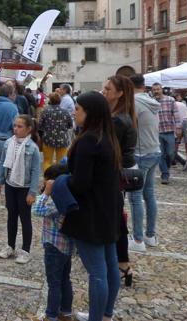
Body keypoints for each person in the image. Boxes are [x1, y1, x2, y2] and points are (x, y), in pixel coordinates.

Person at [60, 91, 122, 321]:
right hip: (108, 209)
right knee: (109, 265)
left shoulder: (88, 140)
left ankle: (98, 318)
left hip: (91, 212)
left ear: (89, 113)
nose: (74, 112)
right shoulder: (107, 136)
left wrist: (61, 182)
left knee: (97, 272)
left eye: (78, 109)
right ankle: (105, 314)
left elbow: (81, 183)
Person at [102, 75, 137, 287]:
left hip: (113, 174)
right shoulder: (123, 116)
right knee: (117, 218)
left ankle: (121, 264)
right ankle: (123, 264)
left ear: (119, 93)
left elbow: (108, 151)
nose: (104, 91)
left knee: (114, 219)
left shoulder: (117, 120)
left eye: (108, 88)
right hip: (118, 173)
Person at [0, 115, 41, 264]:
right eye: (15, 126)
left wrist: (32, 192)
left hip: (25, 187)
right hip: (10, 184)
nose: (16, 129)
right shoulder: (8, 143)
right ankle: (10, 246)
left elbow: (35, 171)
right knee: (11, 216)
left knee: (25, 218)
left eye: (20, 126)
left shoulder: (32, 148)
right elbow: (3, 162)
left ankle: (25, 250)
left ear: (28, 129)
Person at [30, 164, 74, 321]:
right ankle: (66, 312)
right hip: (67, 246)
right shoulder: (69, 195)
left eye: (46, 179)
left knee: (54, 283)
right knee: (65, 279)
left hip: (53, 246)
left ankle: (51, 315)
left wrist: (46, 193)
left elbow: (36, 210)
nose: (43, 182)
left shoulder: (55, 199)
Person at [128, 74, 161, 252]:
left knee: (135, 197)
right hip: (154, 150)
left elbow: (130, 128)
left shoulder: (134, 103)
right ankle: (151, 235)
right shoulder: (150, 100)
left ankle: (138, 239)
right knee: (149, 193)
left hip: (140, 153)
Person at [151, 82, 178, 184]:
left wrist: (178, 127)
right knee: (160, 154)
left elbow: (175, 114)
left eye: (158, 89)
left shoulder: (170, 100)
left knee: (171, 153)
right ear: (152, 91)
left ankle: (166, 168)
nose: (156, 91)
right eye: (154, 90)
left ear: (161, 89)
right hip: (157, 132)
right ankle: (165, 175)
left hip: (169, 130)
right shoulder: (151, 101)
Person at [39, 92, 73, 172]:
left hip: (48, 139)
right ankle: (59, 179)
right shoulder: (65, 111)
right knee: (61, 161)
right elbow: (70, 125)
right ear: (60, 101)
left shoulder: (45, 111)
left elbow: (40, 126)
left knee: (47, 161)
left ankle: (47, 179)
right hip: (62, 139)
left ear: (50, 100)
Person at [174, 93, 187, 171]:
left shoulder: (174, 104)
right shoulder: (182, 104)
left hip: (180, 122)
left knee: (177, 141)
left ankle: (175, 158)